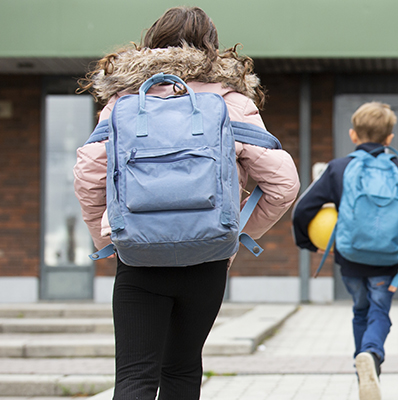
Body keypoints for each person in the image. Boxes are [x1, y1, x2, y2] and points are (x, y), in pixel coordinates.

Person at [73, 6, 299, 399]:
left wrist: (106, 239)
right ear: (211, 47)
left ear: (151, 44)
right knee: (181, 372)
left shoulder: (126, 100)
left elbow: (87, 176)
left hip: (139, 258)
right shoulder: (230, 100)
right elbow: (283, 183)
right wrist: (237, 234)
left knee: (134, 378)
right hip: (207, 259)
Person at [291, 101, 398, 400]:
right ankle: (371, 355)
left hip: (351, 258)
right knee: (379, 311)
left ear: (353, 135)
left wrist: (310, 244)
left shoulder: (338, 168)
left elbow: (303, 209)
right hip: (388, 260)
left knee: (360, 310)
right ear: (389, 139)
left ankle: (363, 372)